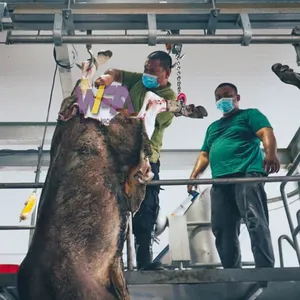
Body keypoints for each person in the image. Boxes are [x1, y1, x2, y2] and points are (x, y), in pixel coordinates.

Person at [95, 50, 177, 270]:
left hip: (145, 160)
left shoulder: (169, 99)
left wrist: (110, 106)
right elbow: (117, 72)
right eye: (146, 69)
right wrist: (107, 78)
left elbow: (137, 119)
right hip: (121, 158)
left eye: (153, 70)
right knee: (113, 209)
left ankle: (144, 261)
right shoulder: (139, 81)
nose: (147, 73)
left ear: (166, 73)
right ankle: (111, 263)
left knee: (145, 209)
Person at [187, 82, 280, 269]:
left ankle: (265, 268)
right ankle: (232, 271)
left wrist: (270, 154)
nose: (223, 99)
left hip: (247, 174)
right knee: (222, 227)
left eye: (227, 94)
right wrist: (193, 176)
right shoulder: (213, 127)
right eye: (218, 97)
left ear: (237, 98)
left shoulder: (249, 115)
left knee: (254, 219)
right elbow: (205, 154)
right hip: (221, 181)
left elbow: (265, 132)